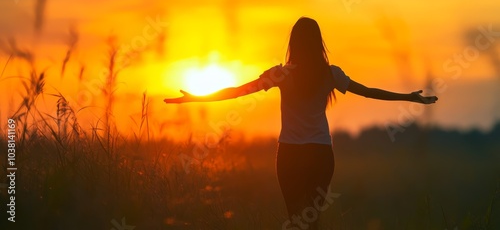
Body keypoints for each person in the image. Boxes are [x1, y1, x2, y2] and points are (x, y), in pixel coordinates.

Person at [164, 17, 438, 229]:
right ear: (318, 42)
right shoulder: (331, 74)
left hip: (290, 154)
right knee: (312, 219)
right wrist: (409, 97)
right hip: (320, 153)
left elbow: (238, 91)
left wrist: (196, 98)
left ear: (293, 43)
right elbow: (367, 91)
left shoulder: (281, 74)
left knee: (295, 219)